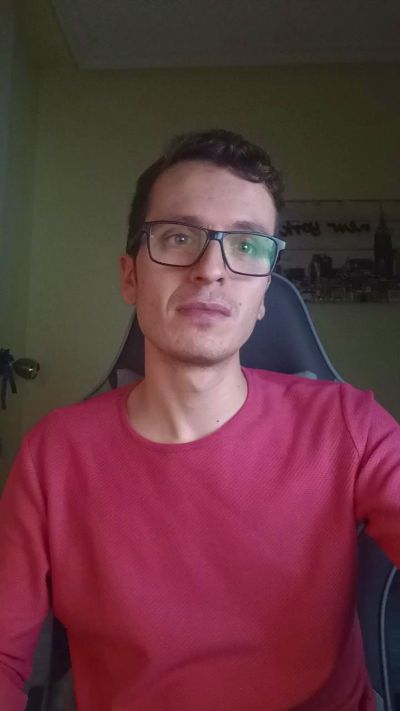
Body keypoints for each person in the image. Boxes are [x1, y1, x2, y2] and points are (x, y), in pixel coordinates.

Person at [0, 129, 399, 711]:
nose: (211, 269)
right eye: (179, 236)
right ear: (130, 277)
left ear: (265, 294)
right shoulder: (53, 455)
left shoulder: (351, 426)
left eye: (247, 245)